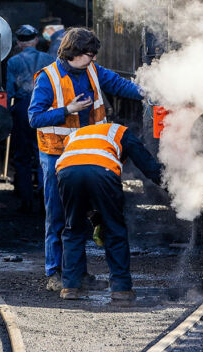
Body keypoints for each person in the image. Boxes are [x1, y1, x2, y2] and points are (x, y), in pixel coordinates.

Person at [29, 27, 145, 291]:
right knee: (58, 216)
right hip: (57, 155)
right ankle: (55, 273)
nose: (93, 60)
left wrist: (149, 93)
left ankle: (77, 275)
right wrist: (67, 110)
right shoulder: (47, 78)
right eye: (89, 55)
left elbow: (120, 85)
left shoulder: (92, 70)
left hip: (86, 154)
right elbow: (34, 118)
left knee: (81, 217)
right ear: (75, 53)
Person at [56, 122, 162, 305]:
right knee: (114, 229)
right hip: (102, 171)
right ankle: (121, 289)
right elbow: (148, 165)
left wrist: (92, 213)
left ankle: (70, 286)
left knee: (72, 229)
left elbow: (81, 169)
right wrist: (171, 186)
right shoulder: (123, 133)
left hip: (67, 172)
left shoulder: (78, 135)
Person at [5, 25, 54, 211]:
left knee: (22, 156)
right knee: (45, 153)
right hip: (45, 108)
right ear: (35, 40)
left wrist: (7, 114)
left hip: (23, 108)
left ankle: (25, 199)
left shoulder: (13, 62)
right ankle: (45, 198)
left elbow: (9, 91)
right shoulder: (49, 60)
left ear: (18, 42)